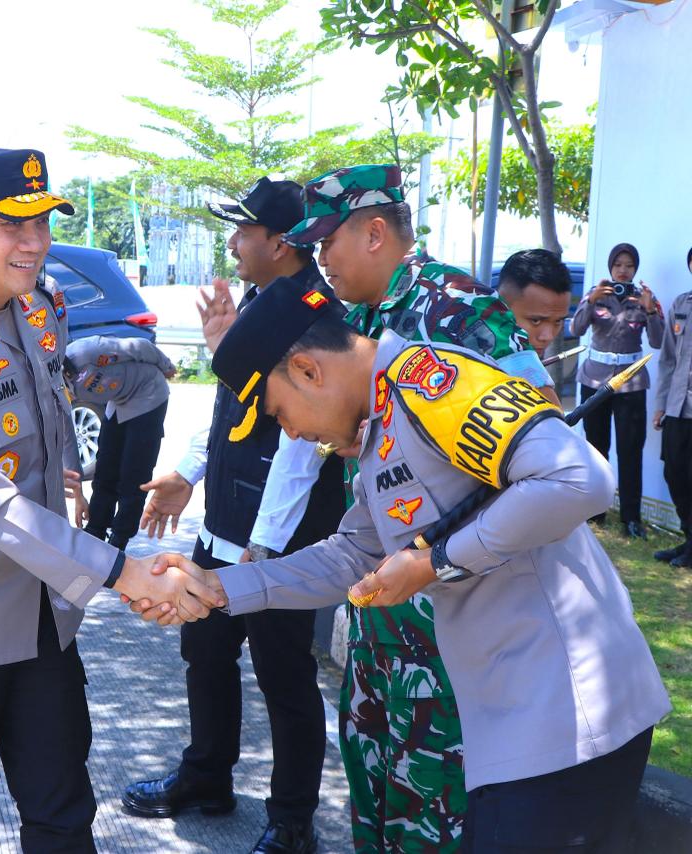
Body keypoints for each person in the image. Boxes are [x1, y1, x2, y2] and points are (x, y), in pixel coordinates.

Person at [152, 275, 671, 853]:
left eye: (280, 414)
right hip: (506, 721)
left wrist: (437, 564)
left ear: (307, 370)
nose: (292, 432)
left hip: (567, 718)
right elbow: (355, 553)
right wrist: (222, 587)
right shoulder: (377, 424)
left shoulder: (432, 382)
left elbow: (579, 478)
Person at [0, 147, 221, 853]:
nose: (33, 242)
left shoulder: (31, 309)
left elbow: (52, 432)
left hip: (38, 621)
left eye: (42, 223)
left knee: (62, 815)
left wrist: (71, 487)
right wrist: (122, 571)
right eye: (11, 224)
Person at [270, 164, 555, 852]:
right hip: (380, 631)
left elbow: (540, 444)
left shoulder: (459, 310)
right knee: (376, 815)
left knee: (438, 823)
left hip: (450, 629)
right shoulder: (357, 322)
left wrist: (439, 556)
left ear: (374, 233)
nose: (320, 262)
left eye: (325, 244)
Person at [123, 177, 343, 854]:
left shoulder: (314, 315)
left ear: (281, 243)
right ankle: (206, 777)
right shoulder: (259, 304)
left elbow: (300, 447)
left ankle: (292, 819)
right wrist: (186, 477)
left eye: (244, 232)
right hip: (226, 528)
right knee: (207, 652)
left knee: (285, 677)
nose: (233, 244)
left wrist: (267, 546)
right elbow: (230, 409)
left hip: (280, 540)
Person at [571, 241, 664, 538]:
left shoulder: (644, 298)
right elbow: (575, 330)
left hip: (631, 384)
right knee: (596, 448)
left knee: (630, 450)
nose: (623, 271)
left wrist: (650, 312)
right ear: (611, 267)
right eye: (618, 265)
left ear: (635, 269)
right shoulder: (597, 295)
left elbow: (659, 341)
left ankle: (631, 519)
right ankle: (595, 512)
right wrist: (590, 300)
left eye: (629, 265)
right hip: (595, 383)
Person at [64, 334, 175, 550]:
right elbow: (68, 438)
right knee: (105, 466)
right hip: (118, 401)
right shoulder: (51, 390)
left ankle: (120, 538)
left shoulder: (87, 352)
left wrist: (166, 365)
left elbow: (139, 346)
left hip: (147, 394)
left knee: (134, 473)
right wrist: (78, 495)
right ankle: (96, 528)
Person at [653, 246, 692, 567]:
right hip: (678, 408)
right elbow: (667, 359)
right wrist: (661, 405)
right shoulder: (682, 304)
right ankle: (689, 540)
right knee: (674, 472)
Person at [495, 249, 574, 359]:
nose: (548, 336)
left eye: (558, 321)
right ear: (501, 308)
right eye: (536, 321)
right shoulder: (468, 367)